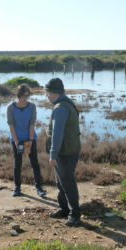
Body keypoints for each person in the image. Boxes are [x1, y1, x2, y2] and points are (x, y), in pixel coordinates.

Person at [44, 78, 81, 227]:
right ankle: (63, 209)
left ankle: (75, 214)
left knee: (67, 183)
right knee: (61, 182)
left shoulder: (60, 108)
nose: (46, 96)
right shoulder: (66, 102)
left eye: (46, 93)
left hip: (64, 153)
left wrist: (53, 155)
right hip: (70, 149)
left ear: (52, 93)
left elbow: (57, 134)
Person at [7, 84, 46, 197]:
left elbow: (32, 123)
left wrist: (29, 139)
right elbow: (11, 125)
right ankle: (17, 188)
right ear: (19, 95)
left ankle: (39, 188)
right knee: (17, 163)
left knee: (34, 163)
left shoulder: (32, 106)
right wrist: (16, 141)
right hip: (17, 140)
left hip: (30, 139)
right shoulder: (11, 107)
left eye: (28, 96)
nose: (26, 98)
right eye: (24, 95)